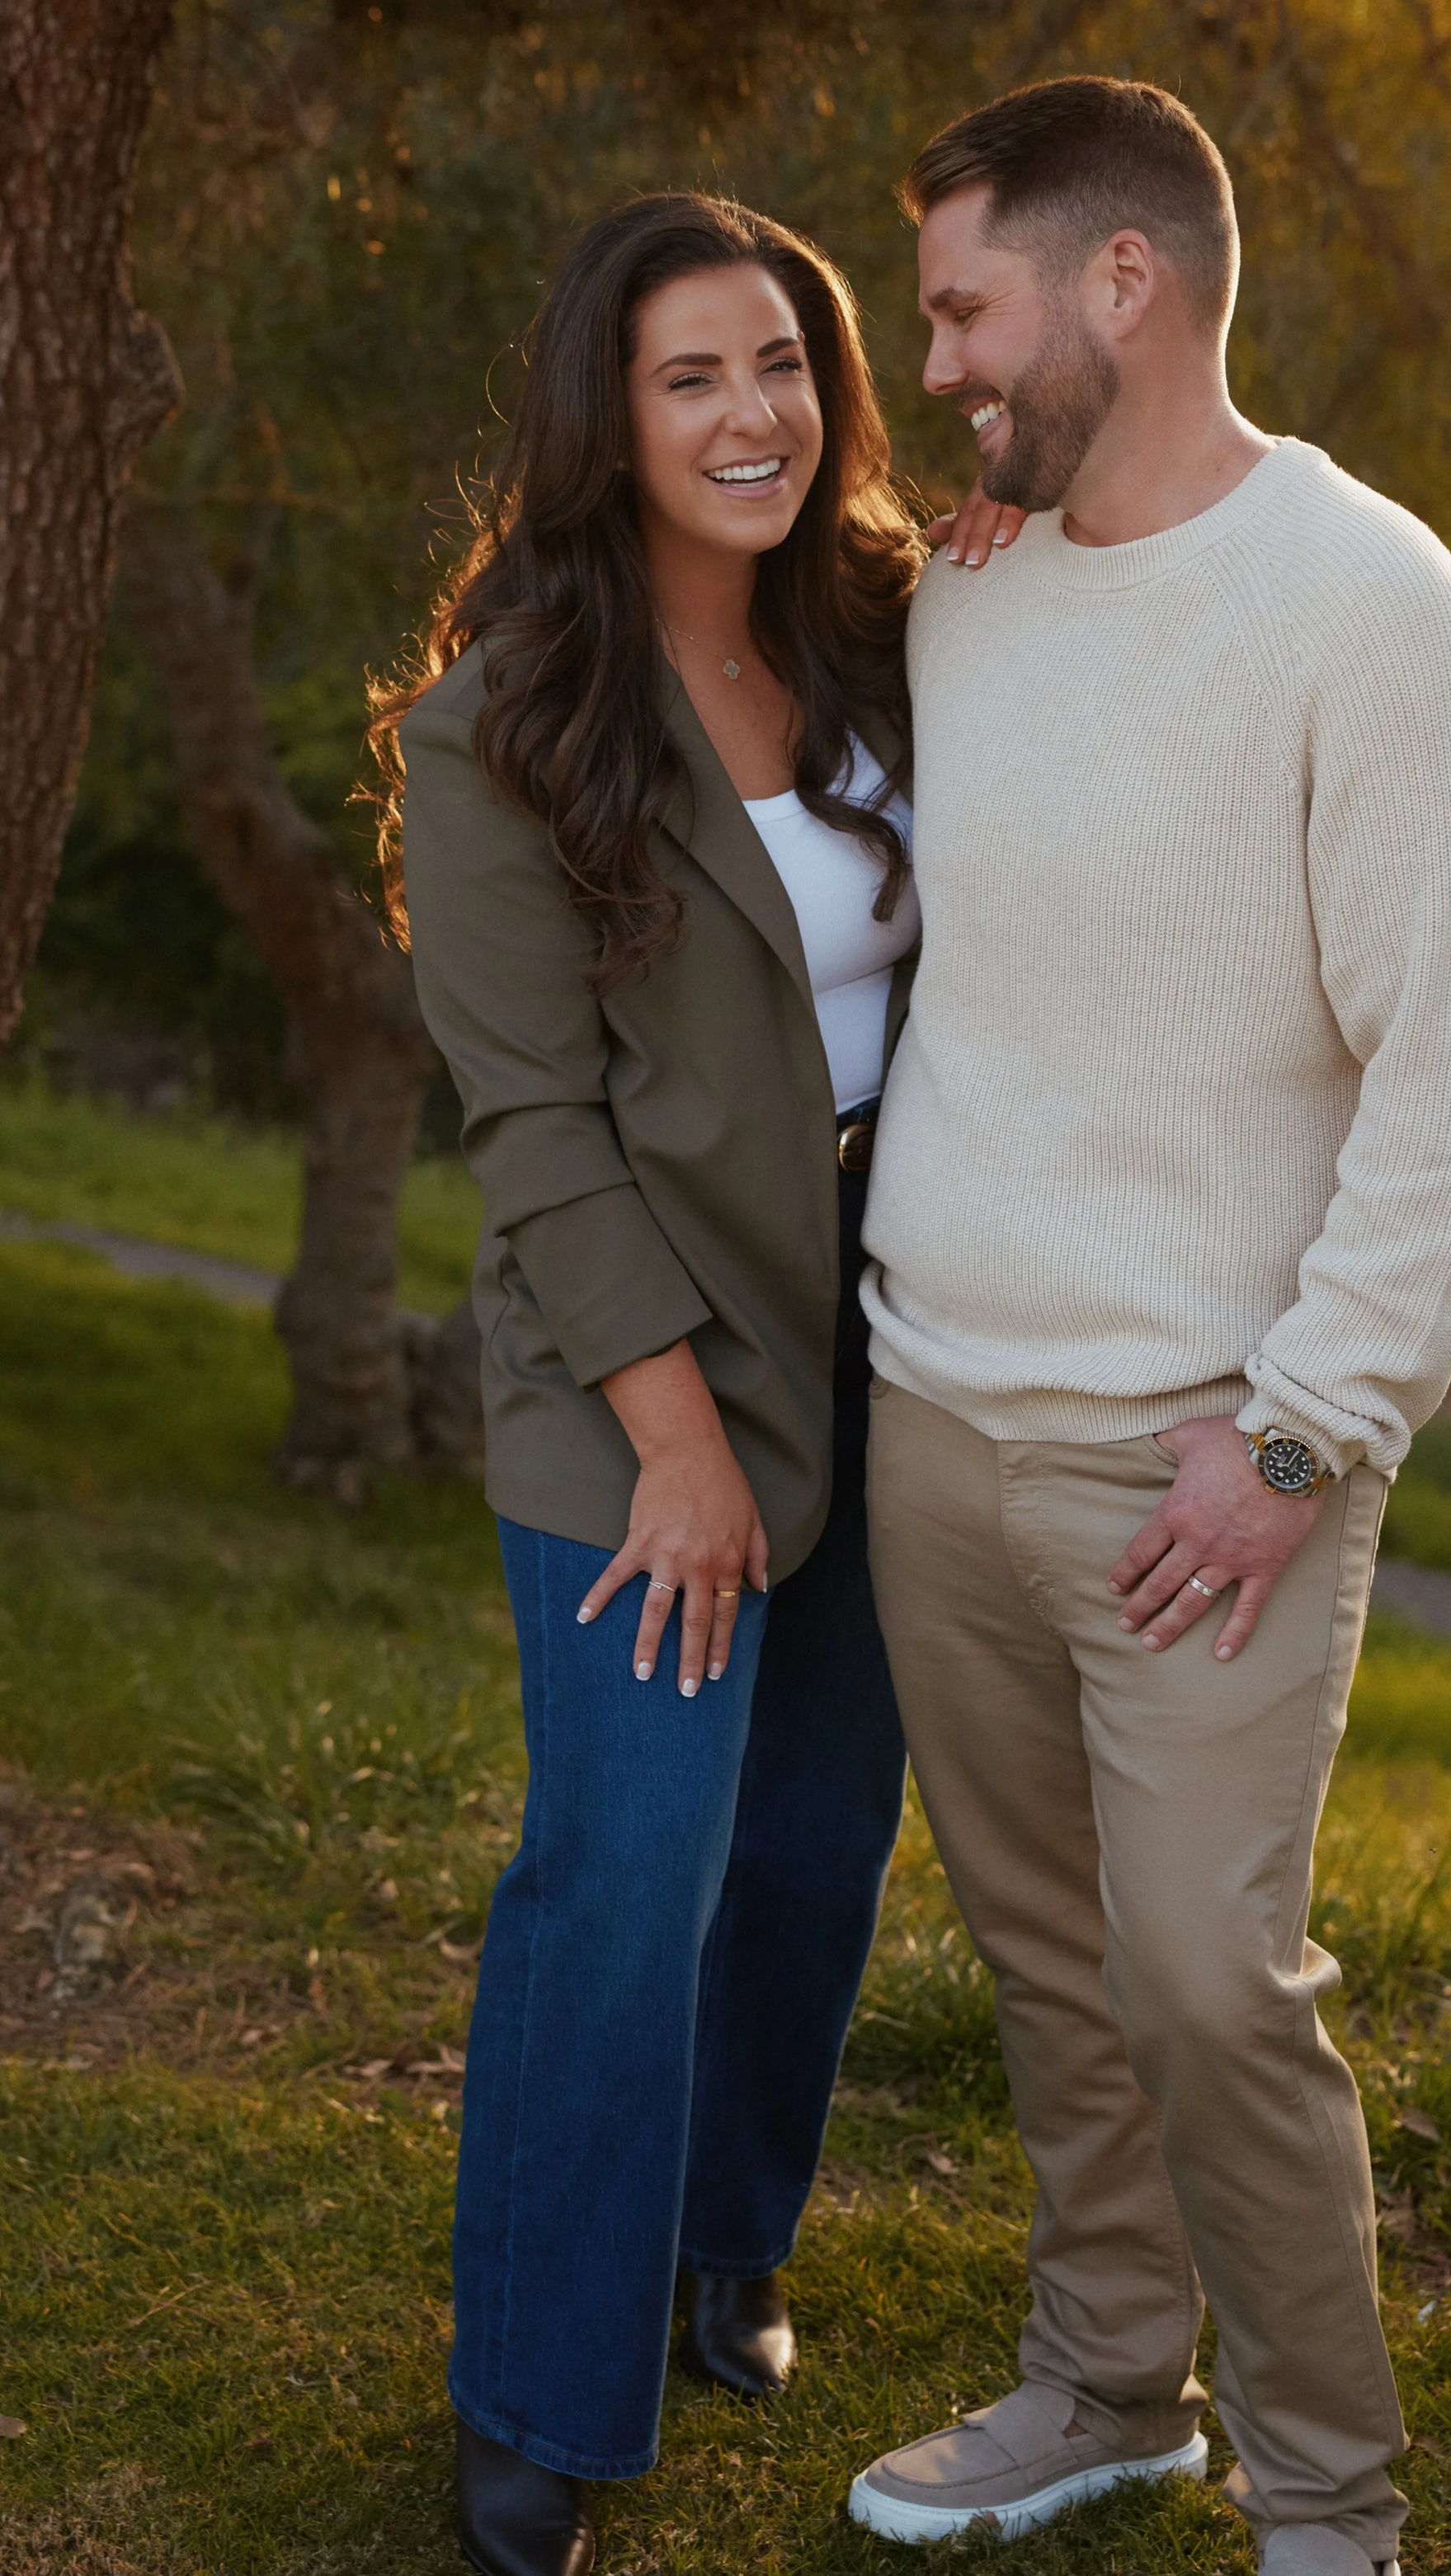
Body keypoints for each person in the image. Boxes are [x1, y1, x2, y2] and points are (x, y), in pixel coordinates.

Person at [847, 78, 1451, 2576]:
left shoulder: (1369, 601)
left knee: (1207, 1986)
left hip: (1203, 1460)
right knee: (1050, 1966)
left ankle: (1332, 2512)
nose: (927, 361)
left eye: (958, 304)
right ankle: (1104, 2386)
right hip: (934, 1412)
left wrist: (1298, 1432)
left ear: (1115, 282)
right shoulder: (974, 580)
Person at [376, 191, 996, 2576]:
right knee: (625, 1865)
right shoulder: (504, 719)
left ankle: (727, 2243)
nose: (752, 417)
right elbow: (531, 1124)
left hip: (898, 1324)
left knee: (820, 1835)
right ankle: (535, 2386)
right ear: (603, 418)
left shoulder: (897, 632)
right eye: (688, 378)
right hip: (634, 1352)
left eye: (781, 367)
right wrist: (679, 1451)